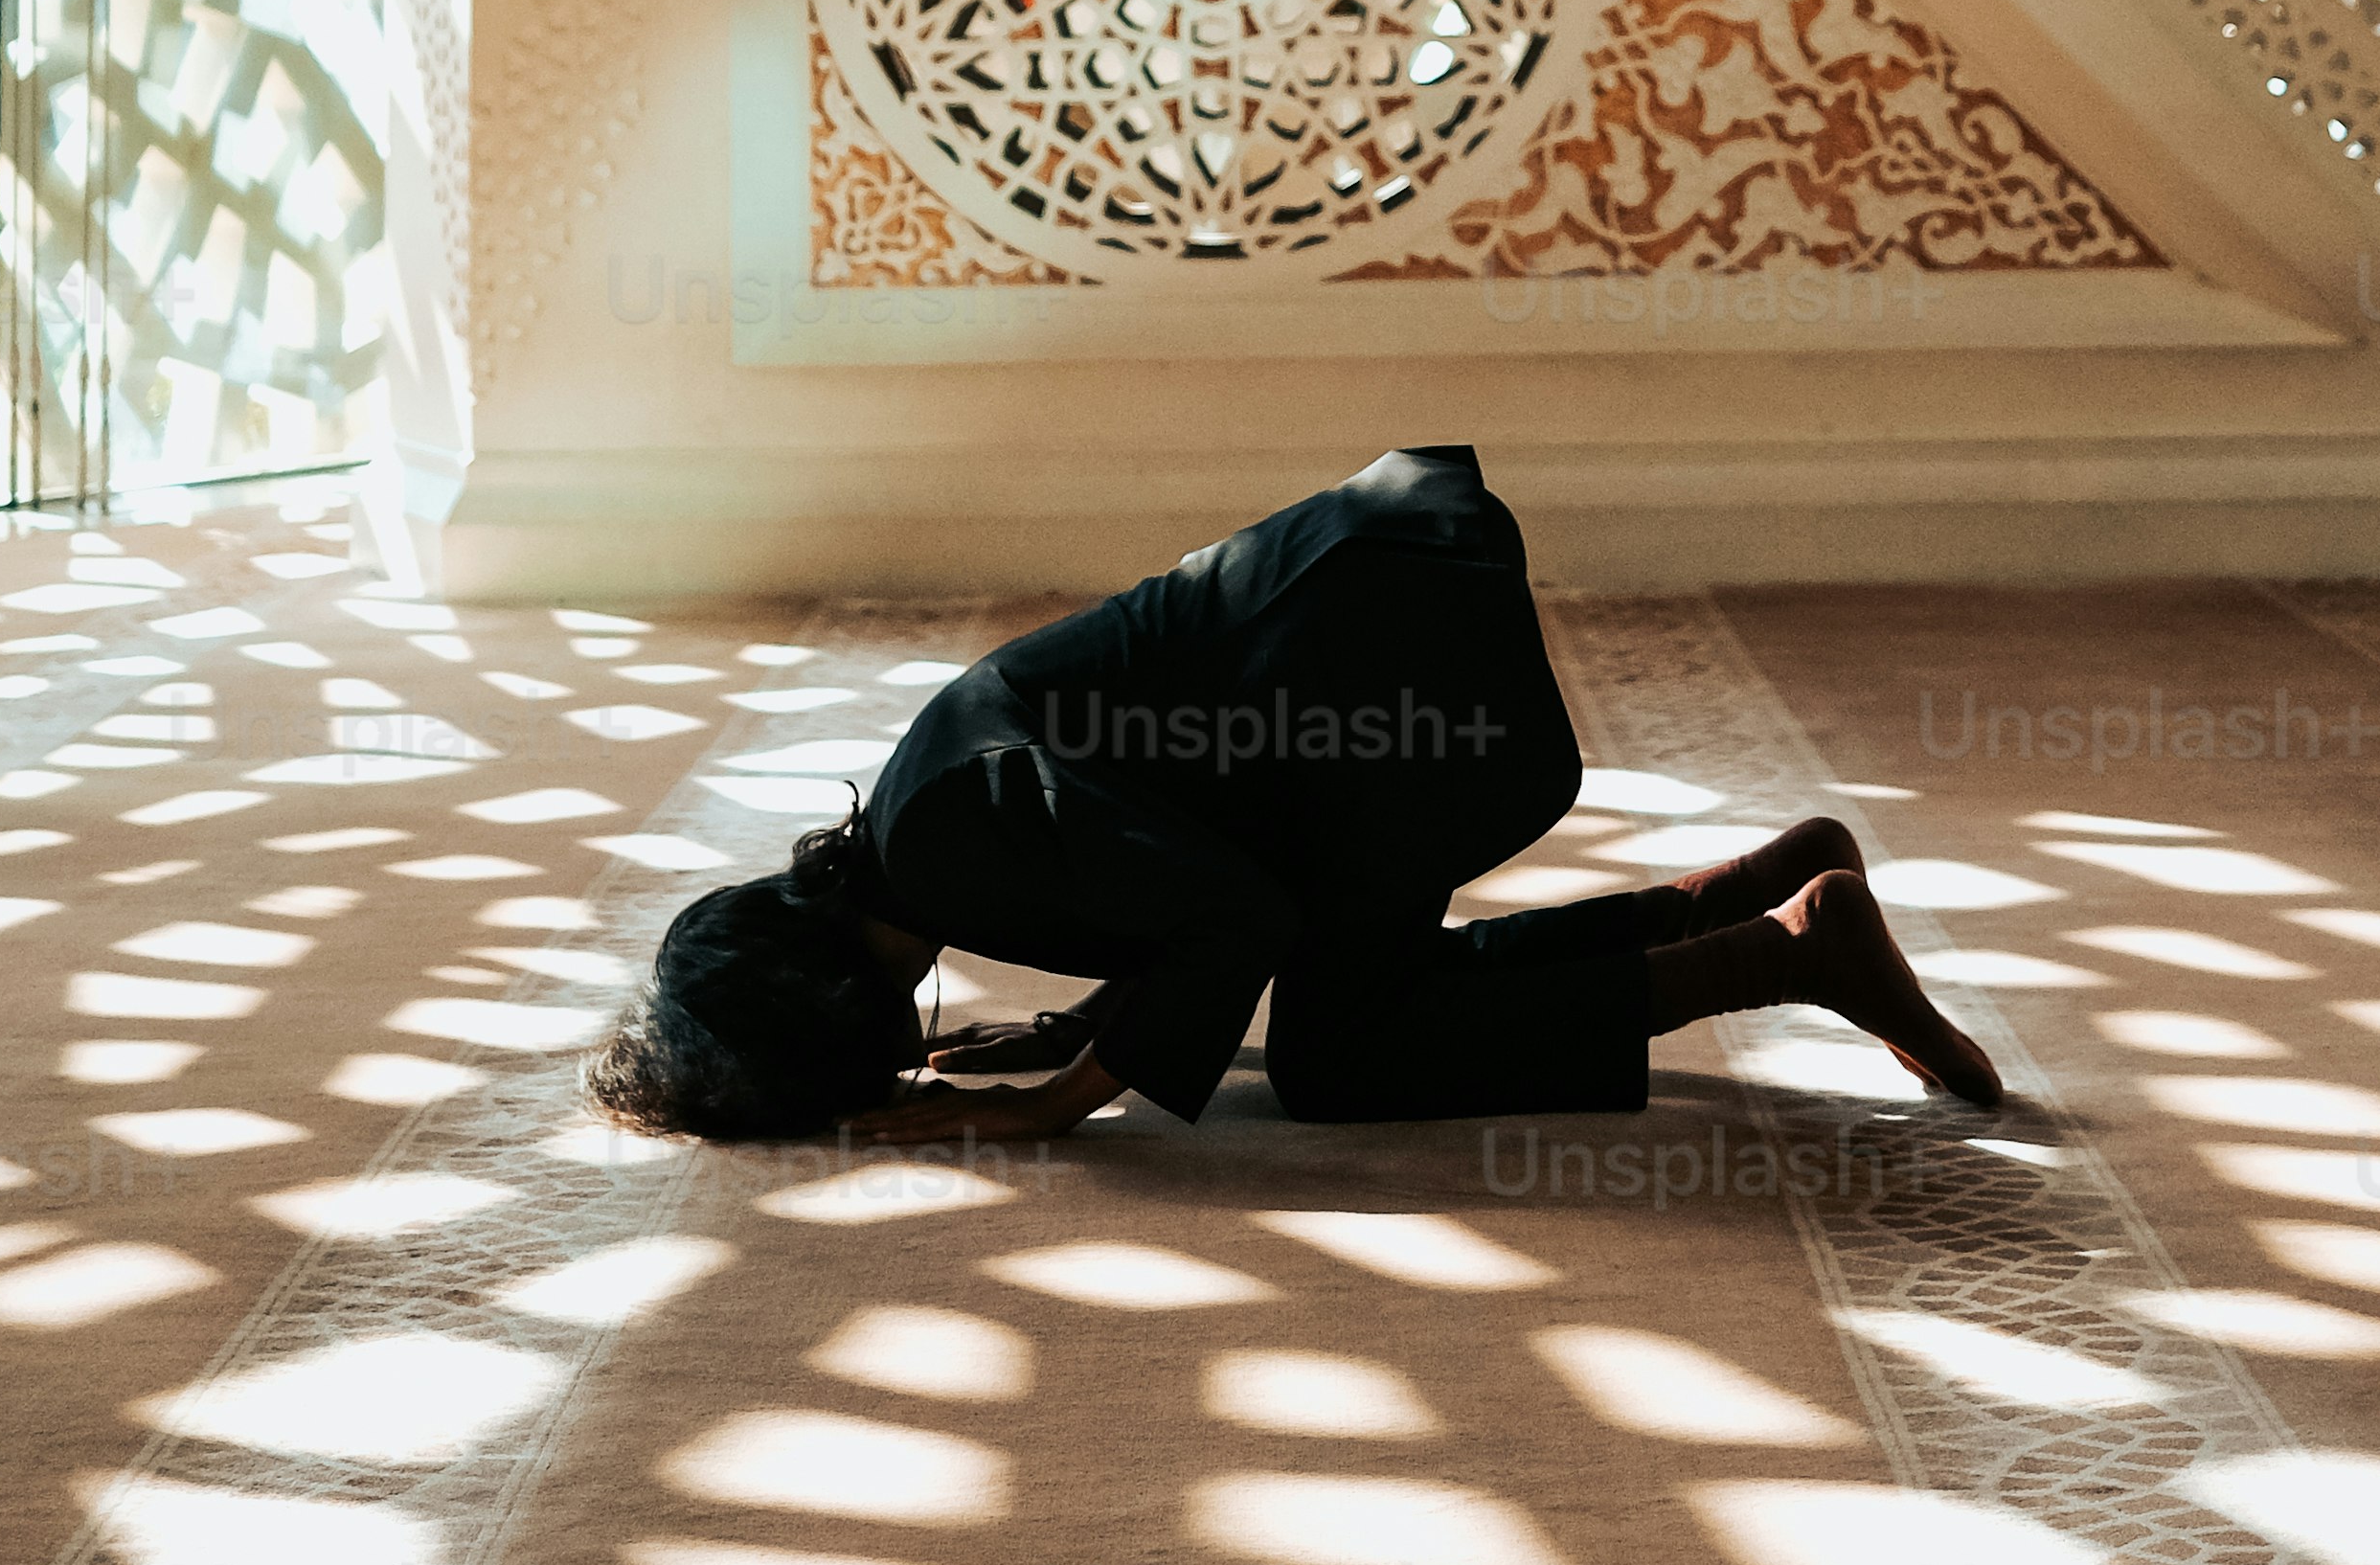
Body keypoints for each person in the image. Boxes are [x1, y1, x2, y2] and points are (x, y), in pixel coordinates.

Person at [583, 438, 2003, 1145]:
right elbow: (1157, 853)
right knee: (1346, 1000)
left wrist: (1068, 1096)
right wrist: (1091, 1019)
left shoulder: (950, 847)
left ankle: (1782, 958)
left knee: (1342, 1058)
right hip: (1363, 628)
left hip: (1384, 673)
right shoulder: (920, 829)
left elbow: (1224, 909)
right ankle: (1750, 897)